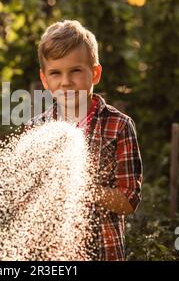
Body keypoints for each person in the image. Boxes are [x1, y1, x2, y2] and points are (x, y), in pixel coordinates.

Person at [29, 19, 143, 261]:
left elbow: (129, 200)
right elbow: (25, 202)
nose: (66, 81)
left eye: (76, 71)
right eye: (56, 73)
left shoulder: (118, 126)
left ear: (95, 73)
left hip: (104, 252)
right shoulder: (36, 129)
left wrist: (78, 188)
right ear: (45, 80)